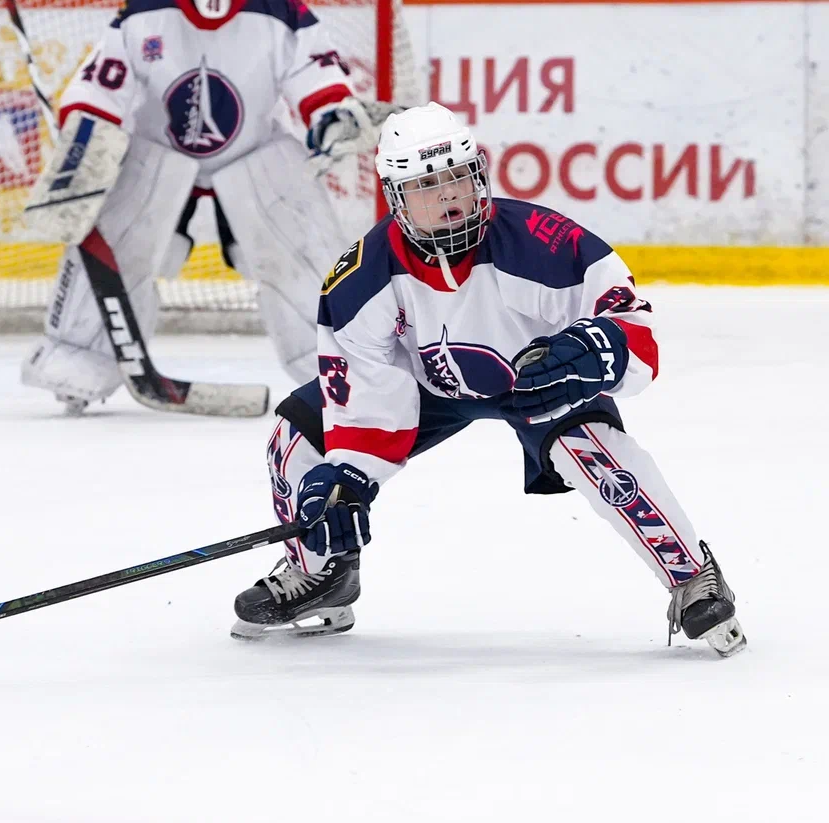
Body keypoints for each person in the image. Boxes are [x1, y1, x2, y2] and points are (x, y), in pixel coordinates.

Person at [230, 102, 747, 658]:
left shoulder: (543, 240)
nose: (448, 193)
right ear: (396, 197)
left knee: (595, 452)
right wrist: (347, 482)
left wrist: (595, 350)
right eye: (427, 184)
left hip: (538, 380)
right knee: (296, 442)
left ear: (478, 174)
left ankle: (693, 576)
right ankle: (322, 570)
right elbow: (364, 405)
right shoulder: (360, 280)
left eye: (457, 175)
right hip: (427, 386)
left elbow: (636, 333)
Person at [21, 0, 389, 413]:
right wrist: (82, 138)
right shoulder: (142, 13)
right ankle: (79, 354)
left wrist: (332, 119)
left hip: (254, 157)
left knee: (302, 239)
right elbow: (100, 90)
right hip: (156, 157)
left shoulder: (283, 13)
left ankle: (341, 364)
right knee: (121, 231)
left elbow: (321, 86)